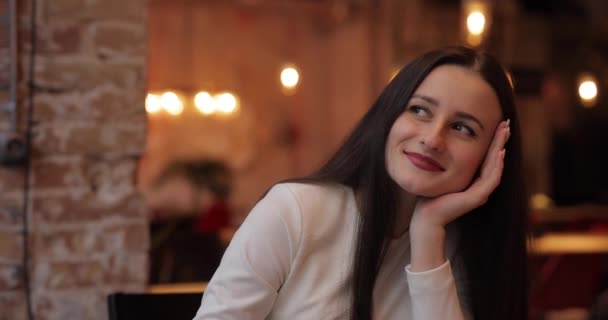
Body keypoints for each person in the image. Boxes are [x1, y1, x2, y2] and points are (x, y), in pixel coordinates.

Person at [193, 46, 528, 319]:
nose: (433, 138)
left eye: (463, 128)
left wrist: (427, 232)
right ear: (389, 114)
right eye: (420, 110)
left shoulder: (464, 249)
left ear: (490, 157)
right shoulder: (294, 211)